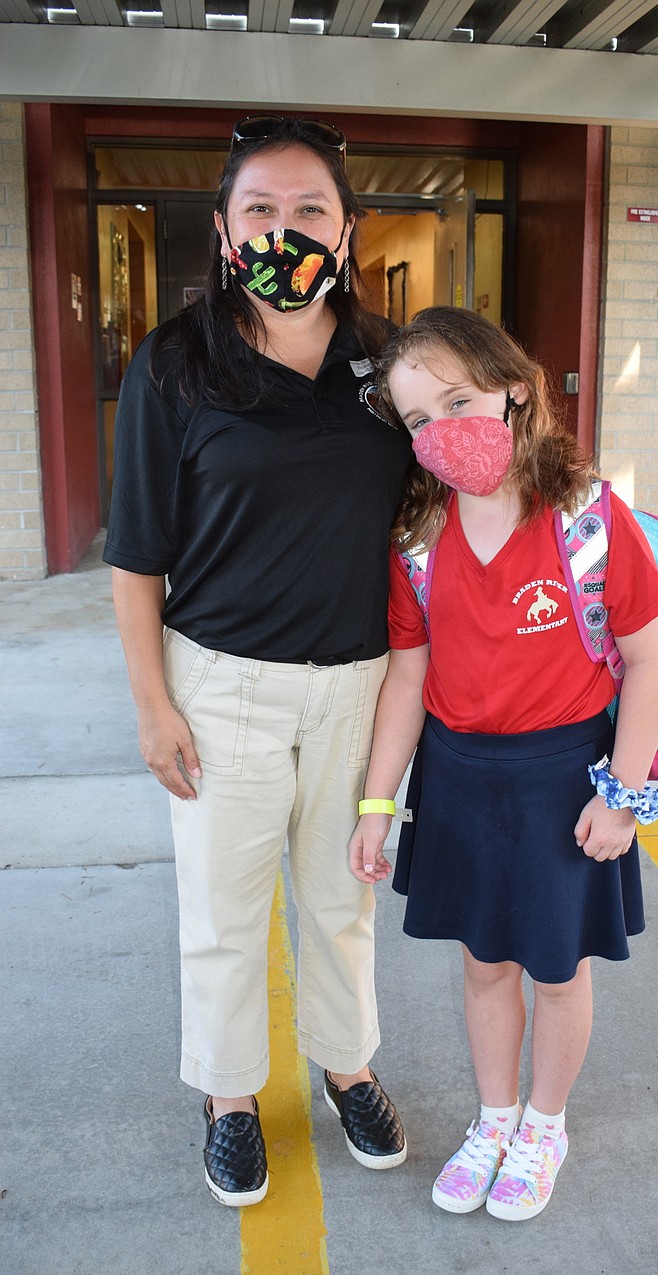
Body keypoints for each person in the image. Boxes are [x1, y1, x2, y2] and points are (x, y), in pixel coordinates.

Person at [104, 116, 412, 1207]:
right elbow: (137, 559)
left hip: (357, 687)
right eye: (261, 211)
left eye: (309, 210)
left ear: (347, 225)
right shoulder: (176, 362)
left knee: (340, 900)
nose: (286, 230)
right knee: (225, 910)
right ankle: (231, 1097)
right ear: (228, 229)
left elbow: (459, 481)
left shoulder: (387, 365)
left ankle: (347, 1066)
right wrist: (153, 708)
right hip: (220, 684)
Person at [348, 307, 658, 1222]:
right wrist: (381, 802)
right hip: (458, 779)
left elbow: (652, 659)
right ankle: (494, 1119)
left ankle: (545, 1123)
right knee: (486, 960)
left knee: (558, 966)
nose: (440, 430)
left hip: (565, 778)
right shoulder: (415, 540)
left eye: (457, 399)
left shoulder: (587, 518)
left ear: (514, 389)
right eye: (416, 419)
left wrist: (621, 794)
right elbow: (409, 675)